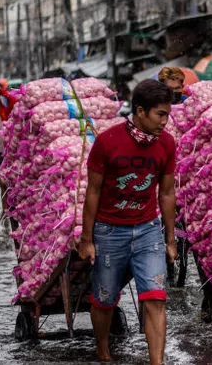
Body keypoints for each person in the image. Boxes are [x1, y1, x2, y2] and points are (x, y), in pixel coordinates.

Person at [79, 79, 178, 363]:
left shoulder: (167, 144)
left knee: (156, 297)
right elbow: (93, 192)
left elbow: (167, 193)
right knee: (105, 299)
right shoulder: (107, 142)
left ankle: (157, 362)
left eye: (167, 114)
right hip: (110, 232)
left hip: (148, 230)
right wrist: (87, 240)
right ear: (140, 111)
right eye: (160, 114)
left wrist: (170, 240)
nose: (165, 121)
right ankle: (102, 350)